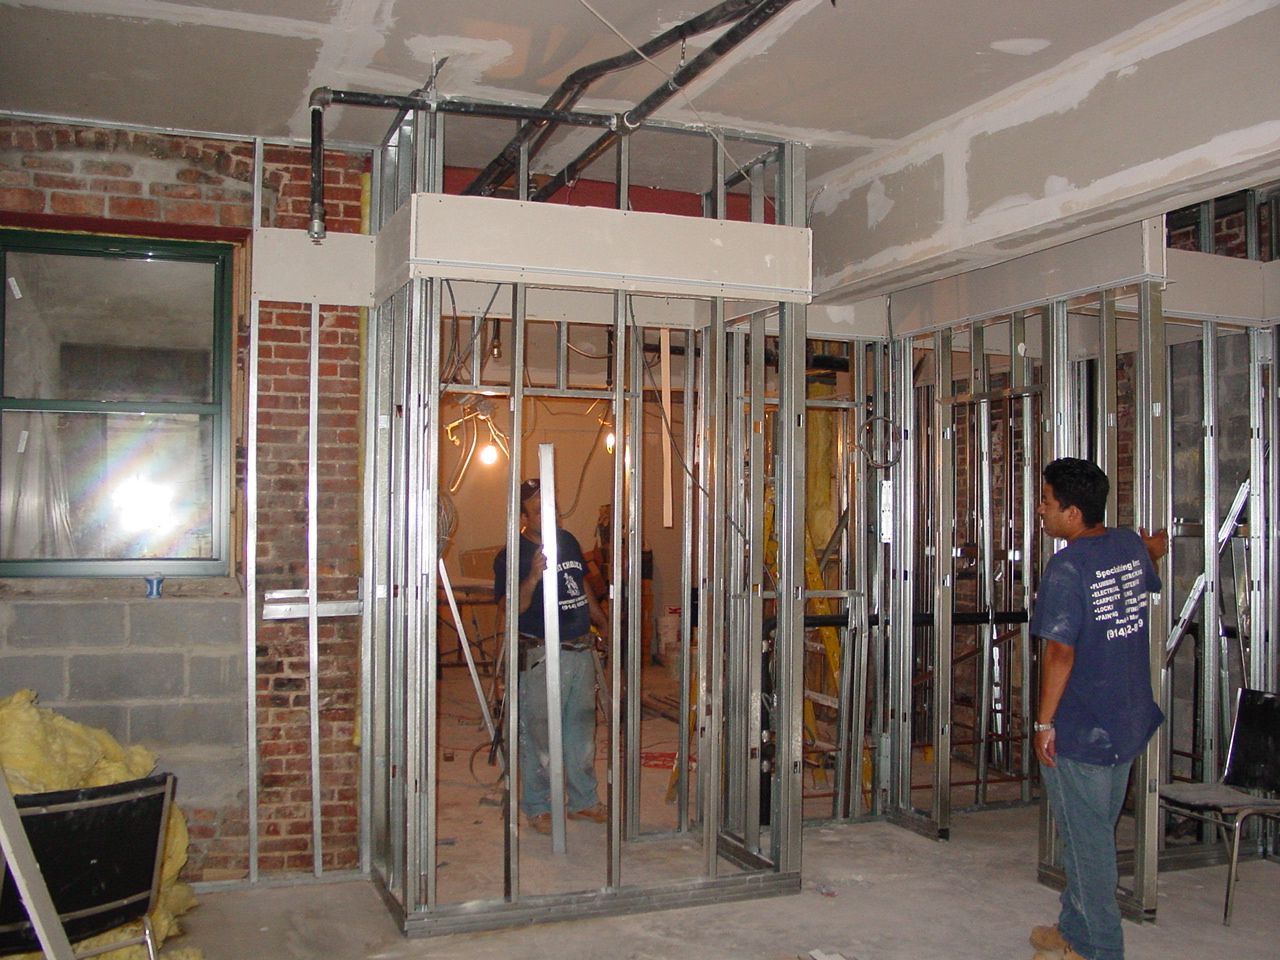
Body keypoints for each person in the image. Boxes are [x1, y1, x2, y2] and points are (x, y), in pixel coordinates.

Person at [1028, 457, 1167, 960]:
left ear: (1071, 511)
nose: (1040, 511)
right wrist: (1159, 547)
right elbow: (1151, 552)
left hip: (1082, 729)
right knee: (1092, 832)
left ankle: (1101, 949)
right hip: (1126, 720)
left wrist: (1044, 722)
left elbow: (1061, 651)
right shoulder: (1128, 544)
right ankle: (1073, 929)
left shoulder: (1066, 568)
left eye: (1046, 502)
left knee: (1089, 851)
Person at [493, 478, 610, 835]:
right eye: (540, 509)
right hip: (541, 655)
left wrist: (603, 623)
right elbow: (510, 608)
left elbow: (582, 587)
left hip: (578, 650)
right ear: (524, 516)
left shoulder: (569, 541)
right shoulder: (511, 553)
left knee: (580, 733)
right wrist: (531, 576)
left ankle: (584, 801)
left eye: (553, 508)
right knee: (539, 735)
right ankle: (539, 806)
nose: (551, 515)